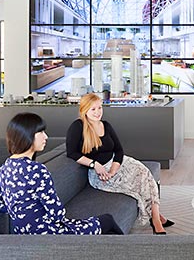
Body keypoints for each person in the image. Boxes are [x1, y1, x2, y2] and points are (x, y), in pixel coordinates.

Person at [0, 112, 123, 235]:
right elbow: (57, 213)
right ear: (27, 136)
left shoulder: (4, 168)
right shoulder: (36, 170)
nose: (46, 136)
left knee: (98, 223)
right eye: (41, 132)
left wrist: (23, 215)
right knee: (107, 220)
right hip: (49, 233)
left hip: (23, 232)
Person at [65, 92, 174, 234]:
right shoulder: (77, 127)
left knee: (145, 174)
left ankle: (156, 217)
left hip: (116, 164)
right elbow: (72, 153)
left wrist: (114, 169)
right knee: (137, 186)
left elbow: (119, 150)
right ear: (84, 110)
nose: (98, 112)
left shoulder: (106, 125)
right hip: (100, 173)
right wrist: (95, 164)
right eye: (93, 109)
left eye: (100, 108)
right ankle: (156, 219)